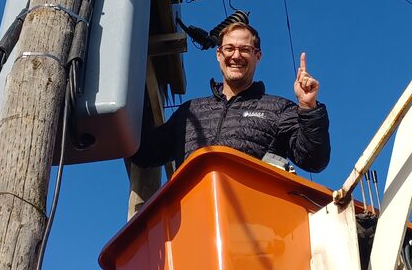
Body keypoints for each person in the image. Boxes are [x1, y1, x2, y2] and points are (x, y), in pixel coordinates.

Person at [132, 21, 330, 172]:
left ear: (257, 56)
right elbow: (146, 153)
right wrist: (128, 83)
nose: (236, 56)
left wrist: (308, 108)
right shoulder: (190, 111)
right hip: (194, 219)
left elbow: (313, 160)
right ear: (219, 54)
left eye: (245, 49)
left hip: (252, 220)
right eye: (229, 48)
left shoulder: (278, 109)